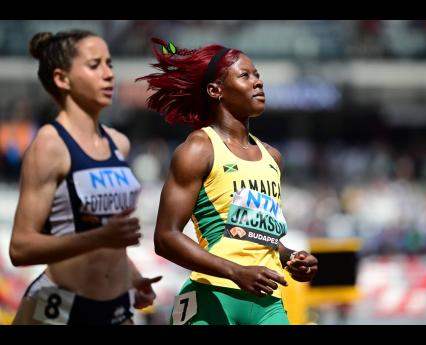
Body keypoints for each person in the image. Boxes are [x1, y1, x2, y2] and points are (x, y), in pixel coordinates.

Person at [137, 38, 318, 325]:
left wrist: (291, 257)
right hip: (212, 295)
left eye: (257, 74)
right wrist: (236, 271)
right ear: (215, 90)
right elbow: (165, 237)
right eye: (245, 75)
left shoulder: (273, 158)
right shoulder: (199, 149)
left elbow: (255, 237)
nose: (258, 82)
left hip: (267, 302)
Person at [9, 29, 161, 325]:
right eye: (95, 65)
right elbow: (20, 248)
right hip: (60, 309)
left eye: (110, 64)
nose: (108, 75)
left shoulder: (119, 143)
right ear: (61, 79)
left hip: (117, 306)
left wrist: (133, 276)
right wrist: (100, 237)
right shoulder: (49, 145)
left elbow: (110, 237)